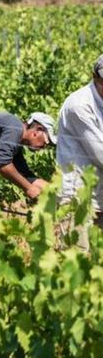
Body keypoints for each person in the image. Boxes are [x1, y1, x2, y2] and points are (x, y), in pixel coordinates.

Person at [56, 54, 103, 231]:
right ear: (95, 76)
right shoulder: (79, 105)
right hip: (78, 195)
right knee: (77, 254)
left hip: (99, 194)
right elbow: (100, 153)